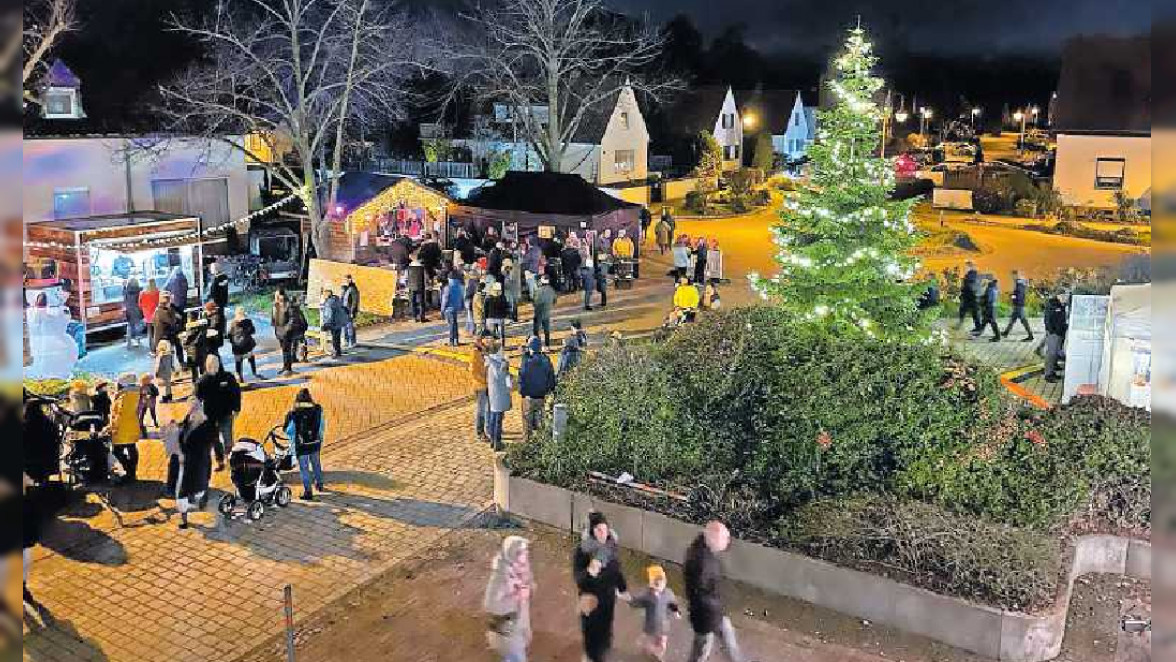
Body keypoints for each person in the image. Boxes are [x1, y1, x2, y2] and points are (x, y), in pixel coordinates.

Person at [685, 521, 754, 662]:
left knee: (727, 639)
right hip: (707, 617)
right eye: (724, 539)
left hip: (714, 613)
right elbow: (699, 595)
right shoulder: (700, 561)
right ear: (714, 538)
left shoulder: (704, 552)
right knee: (701, 650)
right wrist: (713, 615)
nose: (727, 543)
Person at [573, 512, 629, 662]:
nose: (602, 533)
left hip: (608, 597)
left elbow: (617, 568)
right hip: (590, 599)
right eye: (598, 530)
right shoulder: (584, 550)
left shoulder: (611, 545)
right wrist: (589, 573)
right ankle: (591, 656)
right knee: (591, 631)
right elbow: (579, 579)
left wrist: (622, 588)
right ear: (592, 531)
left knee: (606, 627)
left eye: (604, 529)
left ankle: (604, 651)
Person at [483, 535, 536, 662]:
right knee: (516, 655)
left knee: (518, 649)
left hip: (519, 618)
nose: (525, 554)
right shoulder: (499, 578)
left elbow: (528, 586)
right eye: (521, 552)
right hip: (507, 626)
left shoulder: (521, 569)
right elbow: (490, 604)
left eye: (525, 551)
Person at [195, 354, 241, 471]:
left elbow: (236, 392)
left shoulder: (227, 377)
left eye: (215, 364)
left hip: (226, 413)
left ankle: (231, 460)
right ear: (206, 365)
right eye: (210, 364)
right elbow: (197, 399)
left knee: (228, 438)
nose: (213, 366)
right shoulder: (202, 381)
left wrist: (236, 408)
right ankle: (220, 461)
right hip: (210, 416)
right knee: (215, 440)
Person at [628, 565, 681, 662]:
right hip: (651, 623)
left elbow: (673, 604)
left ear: (665, 582)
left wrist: (676, 612)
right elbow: (638, 602)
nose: (659, 587)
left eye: (662, 583)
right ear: (651, 584)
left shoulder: (668, 593)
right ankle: (646, 650)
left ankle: (659, 655)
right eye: (656, 585)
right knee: (649, 639)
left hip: (664, 624)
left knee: (662, 641)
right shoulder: (647, 595)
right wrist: (630, 600)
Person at [176, 401, 216, 529]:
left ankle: (186, 518)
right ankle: (185, 519)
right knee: (186, 490)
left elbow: (217, 444)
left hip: (197, 462)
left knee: (190, 489)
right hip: (194, 462)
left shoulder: (207, 427)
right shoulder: (190, 423)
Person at [284, 388, 327, 501]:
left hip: (302, 445)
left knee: (304, 468)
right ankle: (320, 484)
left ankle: (308, 491)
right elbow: (322, 426)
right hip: (315, 442)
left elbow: (289, 430)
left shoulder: (294, 413)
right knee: (316, 463)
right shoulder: (318, 409)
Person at [518, 337, 556, 441]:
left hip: (528, 398)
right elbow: (551, 378)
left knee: (527, 428)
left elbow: (521, 378)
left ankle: (528, 447)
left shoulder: (526, 361)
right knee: (541, 425)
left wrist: (522, 393)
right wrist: (550, 391)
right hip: (542, 397)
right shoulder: (546, 360)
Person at [107, 374, 142, 482]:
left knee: (117, 452)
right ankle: (132, 472)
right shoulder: (135, 394)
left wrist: (112, 427)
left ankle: (128, 471)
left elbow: (120, 414)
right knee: (131, 448)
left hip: (121, 428)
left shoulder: (124, 397)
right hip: (132, 425)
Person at [485, 340, 513, 451]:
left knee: (493, 417)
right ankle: (497, 442)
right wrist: (506, 366)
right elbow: (504, 377)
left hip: (493, 395)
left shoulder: (491, 362)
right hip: (499, 395)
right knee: (497, 419)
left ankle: (493, 440)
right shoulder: (498, 364)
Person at [153, 291, 184, 366]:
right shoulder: (160, 311)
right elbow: (172, 321)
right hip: (163, 336)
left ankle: (181, 362)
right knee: (168, 353)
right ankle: (171, 367)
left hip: (170, 333)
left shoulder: (170, 307)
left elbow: (181, 314)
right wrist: (174, 314)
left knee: (178, 345)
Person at [1043, 291, 1069, 383]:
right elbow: (1048, 320)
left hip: (1060, 332)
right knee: (1051, 353)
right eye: (1063, 296)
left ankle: (1052, 371)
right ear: (1058, 296)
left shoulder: (1062, 305)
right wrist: (1052, 331)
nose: (1065, 297)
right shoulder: (1053, 304)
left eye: (1066, 296)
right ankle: (1048, 374)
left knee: (1055, 353)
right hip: (1054, 333)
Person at [229, 307, 260, 381]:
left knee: (238, 362)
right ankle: (254, 372)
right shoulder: (248, 321)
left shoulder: (233, 322)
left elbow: (229, 334)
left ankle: (240, 377)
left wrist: (233, 342)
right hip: (247, 345)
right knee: (251, 357)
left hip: (237, 346)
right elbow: (253, 331)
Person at [471, 333, 492, 443]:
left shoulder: (482, 350)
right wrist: (484, 379)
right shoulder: (475, 353)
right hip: (480, 385)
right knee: (481, 410)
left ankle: (488, 429)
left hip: (486, 384)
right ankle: (480, 432)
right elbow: (474, 372)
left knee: (487, 408)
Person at [1003, 270, 1034, 342]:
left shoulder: (1019, 284)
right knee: (1013, 319)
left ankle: (1030, 335)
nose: (1012, 277)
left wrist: (1012, 297)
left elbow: (1018, 295)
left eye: (1012, 276)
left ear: (1016, 275)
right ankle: (1006, 332)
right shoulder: (1021, 283)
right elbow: (1018, 293)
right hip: (1018, 304)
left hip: (1019, 305)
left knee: (1023, 320)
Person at [320, 289, 348, 358]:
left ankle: (335, 352)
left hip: (333, 323)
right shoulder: (337, 300)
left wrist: (326, 324)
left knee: (334, 338)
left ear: (327, 295)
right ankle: (338, 352)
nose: (323, 296)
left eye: (324, 294)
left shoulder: (329, 303)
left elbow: (329, 314)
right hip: (339, 322)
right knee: (337, 338)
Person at [441, 270, 466, 346]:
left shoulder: (448, 288)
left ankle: (451, 341)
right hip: (456, 308)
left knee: (451, 325)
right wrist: (462, 306)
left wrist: (442, 310)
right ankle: (456, 340)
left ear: (449, 279)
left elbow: (445, 300)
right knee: (455, 324)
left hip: (449, 308)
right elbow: (462, 297)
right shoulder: (460, 287)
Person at [973, 276, 1001, 342]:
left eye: (986, 280)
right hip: (992, 307)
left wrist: (981, 302)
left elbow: (988, 299)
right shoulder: (994, 288)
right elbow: (987, 297)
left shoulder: (990, 288)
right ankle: (978, 334)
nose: (984, 282)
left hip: (989, 308)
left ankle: (998, 337)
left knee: (992, 323)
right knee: (984, 322)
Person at [531, 276, 557, 347]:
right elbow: (555, 301)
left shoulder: (538, 290)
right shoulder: (552, 290)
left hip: (538, 313)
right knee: (546, 330)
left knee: (536, 330)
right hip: (547, 313)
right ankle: (547, 345)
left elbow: (534, 303)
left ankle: (537, 345)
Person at [200, 300, 227, 366]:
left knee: (213, 353)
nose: (206, 312)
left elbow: (213, 328)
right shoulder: (210, 315)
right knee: (213, 353)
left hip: (215, 339)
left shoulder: (216, 317)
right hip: (212, 339)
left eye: (207, 310)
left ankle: (218, 367)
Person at [957, 261, 982, 332]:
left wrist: (963, 288)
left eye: (966, 267)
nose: (965, 268)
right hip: (969, 297)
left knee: (974, 313)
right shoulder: (969, 274)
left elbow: (970, 286)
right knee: (963, 310)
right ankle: (960, 324)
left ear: (970, 267)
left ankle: (978, 328)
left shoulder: (973, 274)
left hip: (972, 297)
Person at [139, 279, 161, 353]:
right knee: (158, 333)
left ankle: (152, 350)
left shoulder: (142, 293)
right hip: (157, 316)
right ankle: (159, 348)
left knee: (150, 334)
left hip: (148, 317)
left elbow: (140, 305)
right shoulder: (158, 292)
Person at [154, 339, 179, 403]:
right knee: (168, 384)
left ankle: (165, 398)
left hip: (163, 372)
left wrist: (156, 372)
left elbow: (158, 364)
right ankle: (169, 396)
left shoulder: (161, 355)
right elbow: (171, 364)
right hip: (168, 372)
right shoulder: (169, 355)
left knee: (164, 386)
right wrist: (173, 368)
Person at [123, 277, 144, 348]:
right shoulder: (139, 291)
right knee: (138, 324)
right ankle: (137, 338)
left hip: (129, 309)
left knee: (131, 325)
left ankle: (133, 339)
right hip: (137, 309)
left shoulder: (126, 291)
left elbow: (125, 300)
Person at [341, 275, 361, 349]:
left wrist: (352, 312)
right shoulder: (345, 289)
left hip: (349, 311)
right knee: (345, 327)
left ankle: (352, 342)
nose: (345, 281)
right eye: (345, 280)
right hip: (344, 310)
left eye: (347, 280)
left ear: (350, 280)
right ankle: (346, 341)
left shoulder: (352, 289)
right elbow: (342, 299)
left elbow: (354, 301)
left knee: (350, 327)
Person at [407, 254, 429, 323]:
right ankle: (422, 317)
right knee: (421, 302)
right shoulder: (422, 268)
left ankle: (414, 317)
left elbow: (406, 277)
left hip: (412, 286)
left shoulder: (409, 267)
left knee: (413, 302)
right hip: (420, 286)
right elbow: (426, 277)